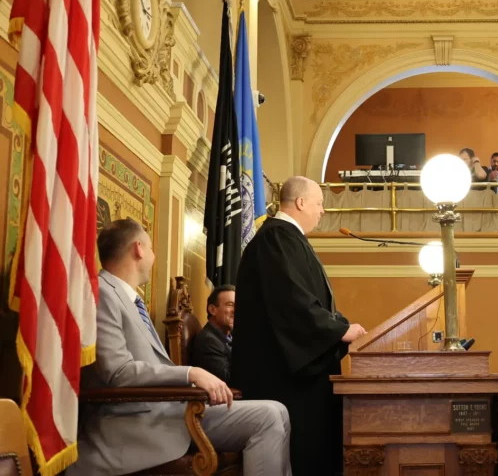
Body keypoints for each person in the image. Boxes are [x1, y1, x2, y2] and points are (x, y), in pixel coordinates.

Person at [69, 219, 291, 476]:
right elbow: (118, 372)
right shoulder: (103, 293)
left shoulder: (130, 298)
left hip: (170, 408)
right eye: (152, 249)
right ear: (139, 249)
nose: (153, 256)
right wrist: (191, 373)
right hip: (136, 421)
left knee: (277, 410)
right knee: (269, 417)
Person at [232, 176, 367, 476]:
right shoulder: (276, 239)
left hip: (292, 373)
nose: (322, 211)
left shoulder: (286, 239)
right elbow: (291, 302)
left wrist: (339, 325)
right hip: (283, 377)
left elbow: (308, 300)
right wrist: (337, 331)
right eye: (319, 204)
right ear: (301, 202)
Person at [191, 284, 236, 384]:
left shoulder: (229, 336)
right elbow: (230, 379)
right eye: (230, 305)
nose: (235, 310)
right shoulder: (208, 340)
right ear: (212, 310)